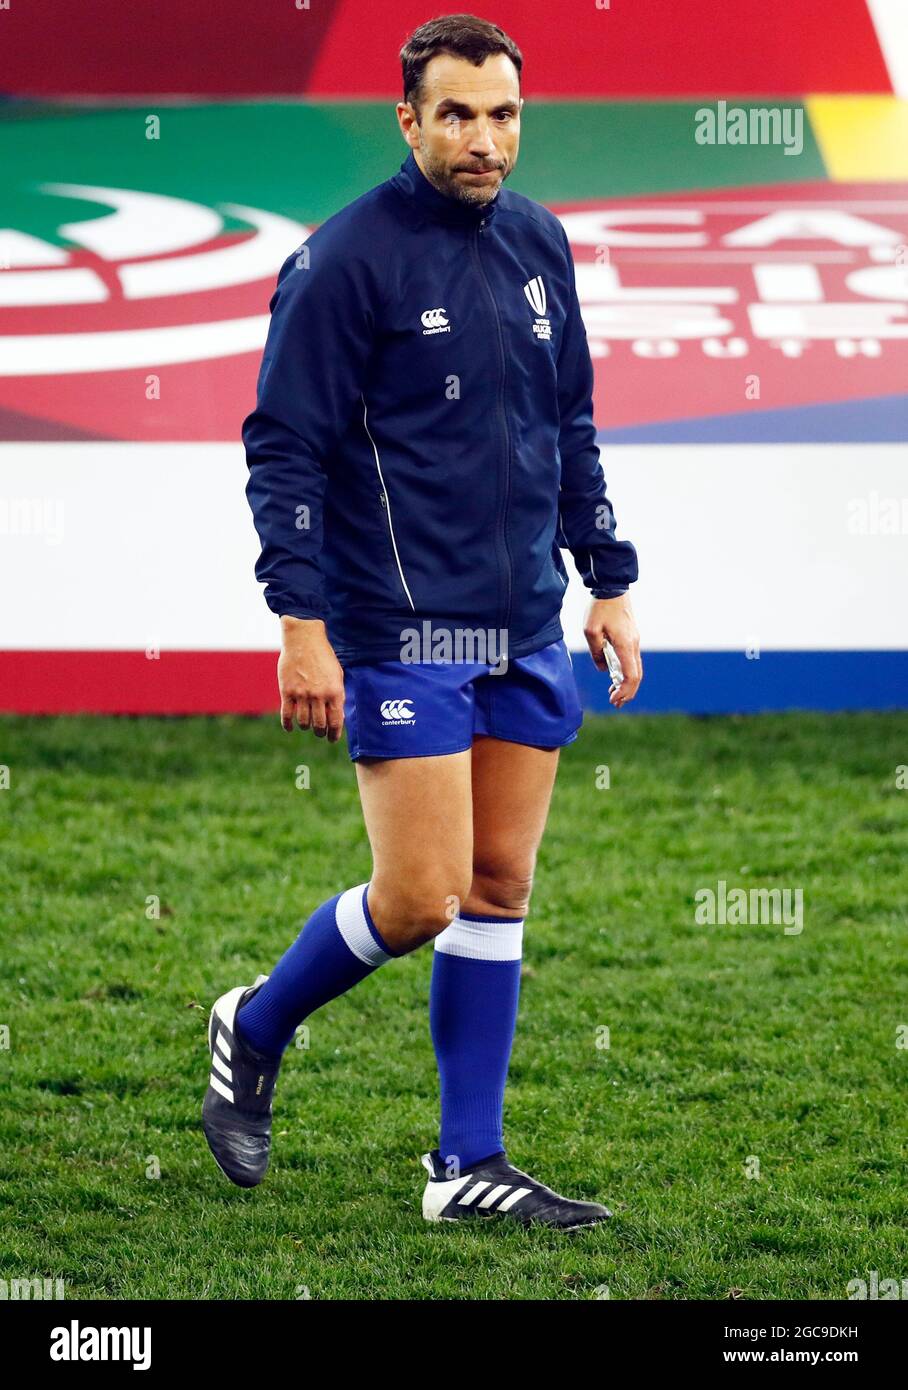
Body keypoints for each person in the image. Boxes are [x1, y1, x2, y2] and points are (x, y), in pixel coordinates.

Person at [203, 13, 641, 1229]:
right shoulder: (345, 259)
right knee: (418, 897)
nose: (483, 138)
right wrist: (300, 620)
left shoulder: (540, 245)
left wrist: (604, 576)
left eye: (501, 113)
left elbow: (571, 428)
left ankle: (464, 1167)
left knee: (498, 884)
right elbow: (282, 446)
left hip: (523, 621)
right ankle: (254, 1018)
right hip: (401, 626)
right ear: (407, 119)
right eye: (455, 113)